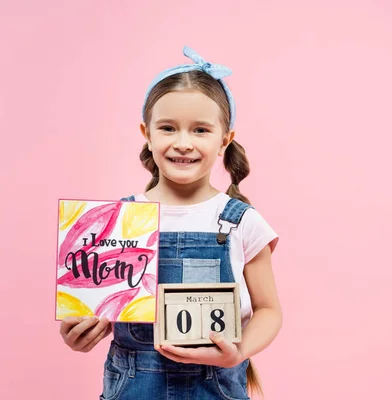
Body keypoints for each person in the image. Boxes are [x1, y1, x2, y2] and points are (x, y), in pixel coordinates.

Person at [59, 45, 283, 400]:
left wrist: (238, 352)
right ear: (146, 133)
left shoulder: (241, 221)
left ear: (225, 140)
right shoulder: (115, 223)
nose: (182, 143)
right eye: (168, 128)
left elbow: (269, 310)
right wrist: (80, 332)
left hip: (217, 388)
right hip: (132, 388)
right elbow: (95, 307)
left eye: (200, 130)